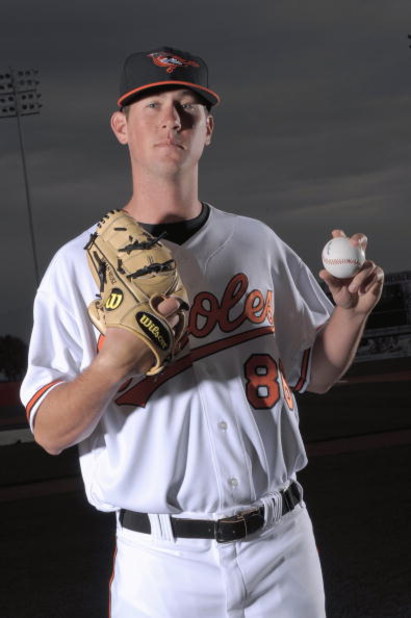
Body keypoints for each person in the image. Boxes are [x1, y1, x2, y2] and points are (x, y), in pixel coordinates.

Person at [21, 46, 384, 617]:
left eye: (189, 106)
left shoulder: (256, 242)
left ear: (208, 129)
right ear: (121, 126)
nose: (173, 119)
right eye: (153, 105)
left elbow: (316, 373)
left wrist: (350, 313)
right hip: (162, 564)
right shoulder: (77, 267)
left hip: (282, 544)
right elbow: (49, 430)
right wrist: (112, 365)